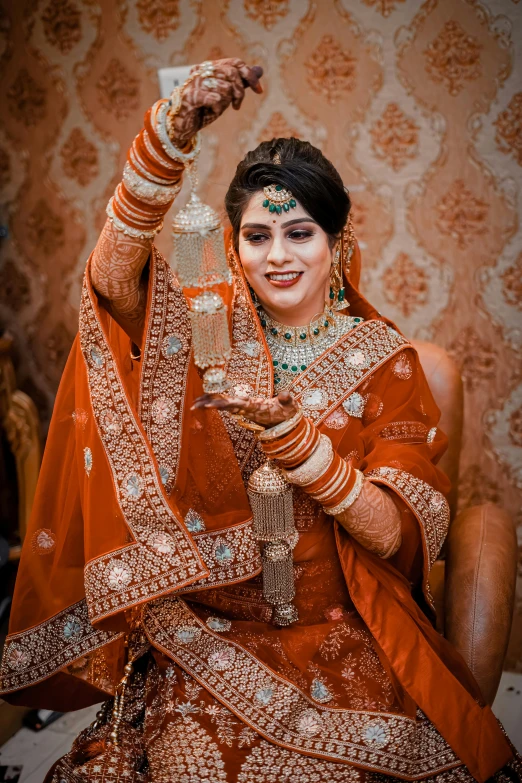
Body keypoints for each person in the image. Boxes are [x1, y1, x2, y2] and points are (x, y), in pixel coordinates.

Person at [0, 59, 519, 783]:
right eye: (256, 235)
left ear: (335, 244)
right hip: (212, 630)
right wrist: (167, 139)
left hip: (340, 633)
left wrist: (299, 443)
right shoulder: (204, 329)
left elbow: (398, 533)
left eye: (299, 232)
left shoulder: (386, 362)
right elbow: (113, 280)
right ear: (234, 244)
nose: (277, 256)